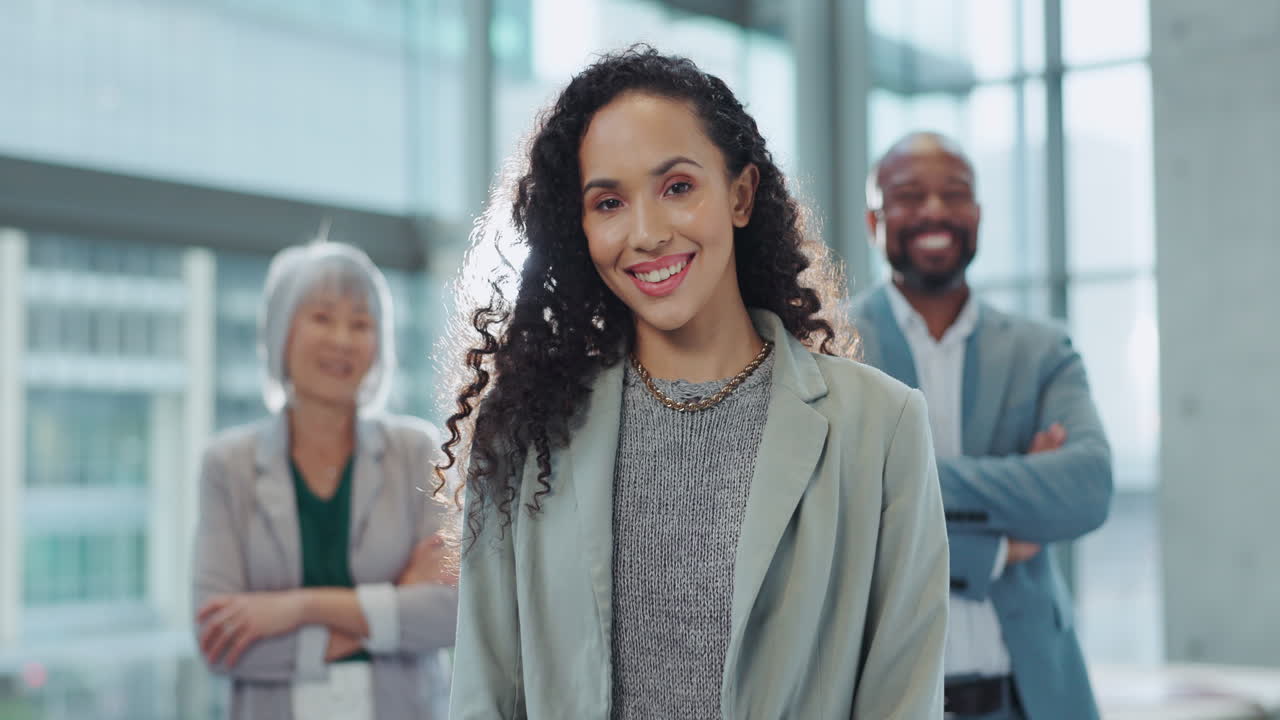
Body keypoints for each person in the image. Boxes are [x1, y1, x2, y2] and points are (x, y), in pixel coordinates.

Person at [437, 47, 948, 719]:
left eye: (677, 187)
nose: (646, 233)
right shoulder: (525, 433)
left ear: (740, 195)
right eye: (609, 202)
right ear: (579, 227)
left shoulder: (881, 426)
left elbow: (902, 698)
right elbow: (484, 695)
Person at [855, 131, 1113, 720]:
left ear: (978, 215)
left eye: (955, 193)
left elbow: (1087, 489)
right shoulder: (827, 350)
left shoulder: (1042, 351)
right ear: (874, 221)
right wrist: (995, 547)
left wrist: (893, 484)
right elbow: (834, 515)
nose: (935, 210)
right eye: (909, 195)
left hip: (1032, 699)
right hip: (885, 702)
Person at [191, 241, 458, 719]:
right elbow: (220, 643)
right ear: (281, 333)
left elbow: (450, 615)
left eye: (361, 324)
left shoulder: (418, 451)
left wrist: (295, 608)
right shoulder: (228, 465)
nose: (342, 339)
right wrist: (392, 604)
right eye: (321, 318)